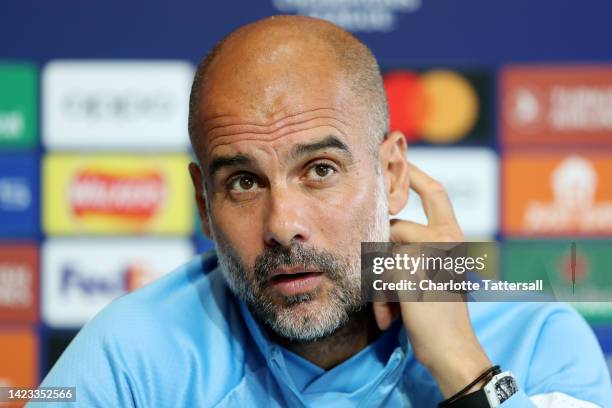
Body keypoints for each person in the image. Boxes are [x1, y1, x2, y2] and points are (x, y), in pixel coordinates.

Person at [38, 15, 611, 407]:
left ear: (391, 176)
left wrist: (465, 369)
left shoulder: (537, 338)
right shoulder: (132, 350)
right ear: (203, 206)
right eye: (243, 182)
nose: (283, 224)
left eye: (320, 170)